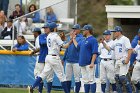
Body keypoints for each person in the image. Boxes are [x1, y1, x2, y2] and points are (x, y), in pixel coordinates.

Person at [29, 22, 72, 93]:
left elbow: (55, 44)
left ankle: (32, 87)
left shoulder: (49, 36)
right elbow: (65, 46)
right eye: (56, 27)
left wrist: (61, 39)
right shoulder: (56, 36)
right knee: (62, 76)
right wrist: (71, 41)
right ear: (54, 28)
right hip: (54, 57)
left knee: (43, 74)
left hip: (48, 57)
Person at [100, 26, 132, 93]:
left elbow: (130, 49)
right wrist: (103, 43)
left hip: (123, 59)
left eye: (114, 32)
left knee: (122, 77)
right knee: (117, 78)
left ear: (119, 32)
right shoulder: (115, 41)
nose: (114, 33)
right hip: (117, 60)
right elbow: (109, 49)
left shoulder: (125, 39)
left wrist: (127, 60)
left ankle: (130, 91)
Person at [72, 24, 98, 93]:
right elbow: (77, 46)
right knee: (85, 80)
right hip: (82, 63)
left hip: (89, 63)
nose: (82, 31)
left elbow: (95, 52)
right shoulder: (84, 40)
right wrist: (73, 39)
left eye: (84, 30)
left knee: (91, 80)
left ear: (88, 31)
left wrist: (92, 62)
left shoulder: (93, 40)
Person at [63, 24, 83, 93]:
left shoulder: (81, 38)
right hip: (68, 60)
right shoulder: (70, 38)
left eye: (75, 29)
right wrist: (63, 59)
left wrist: (73, 38)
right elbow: (67, 49)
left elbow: (78, 47)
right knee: (67, 78)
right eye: (73, 29)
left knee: (77, 78)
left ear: (79, 30)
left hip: (76, 61)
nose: (74, 30)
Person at [30, 26, 49, 93]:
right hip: (45, 56)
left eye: (34, 32)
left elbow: (39, 48)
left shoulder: (39, 37)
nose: (33, 34)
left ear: (36, 32)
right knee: (43, 74)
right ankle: (39, 90)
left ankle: (36, 88)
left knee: (38, 74)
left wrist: (33, 51)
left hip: (41, 56)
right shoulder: (42, 37)